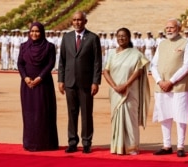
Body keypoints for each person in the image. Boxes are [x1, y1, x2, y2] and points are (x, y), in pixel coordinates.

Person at [58, 11, 102, 154]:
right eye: (74, 20)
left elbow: (97, 62)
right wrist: (60, 80)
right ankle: (72, 142)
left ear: (85, 21)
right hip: (70, 82)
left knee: (86, 114)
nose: (77, 22)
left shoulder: (93, 38)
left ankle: (87, 142)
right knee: (72, 113)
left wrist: (96, 82)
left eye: (79, 20)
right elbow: (62, 61)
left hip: (86, 83)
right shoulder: (67, 37)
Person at [103, 27, 150, 155]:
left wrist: (125, 85)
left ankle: (132, 147)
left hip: (130, 91)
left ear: (129, 38)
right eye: (118, 36)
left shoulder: (136, 54)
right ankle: (118, 147)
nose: (121, 38)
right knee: (116, 118)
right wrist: (115, 86)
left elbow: (138, 71)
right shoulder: (112, 53)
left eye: (123, 36)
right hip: (115, 92)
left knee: (130, 118)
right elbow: (106, 71)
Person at [151, 18, 188, 157]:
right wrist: (159, 81)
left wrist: (171, 81)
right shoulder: (161, 44)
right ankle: (166, 145)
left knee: (180, 116)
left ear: (179, 29)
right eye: (167, 27)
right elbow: (153, 65)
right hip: (162, 87)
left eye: (172, 27)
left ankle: (180, 146)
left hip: (179, 86)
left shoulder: (186, 43)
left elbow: (186, 66)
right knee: (164, 115)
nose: (169, 30)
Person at [17, 22, 59, 151]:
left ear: (42, 32)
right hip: (28, 85)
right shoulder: (24, 46)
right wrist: (26, 78)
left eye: (37, 31)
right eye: (32, 31)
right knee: (29, 114)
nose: (34, 34)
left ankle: (45, 143)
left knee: (43, 113)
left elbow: (50, 64)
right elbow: (20, 64)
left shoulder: (49, 46)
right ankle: (30, 143)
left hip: (43, 84)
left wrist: (40, 77)